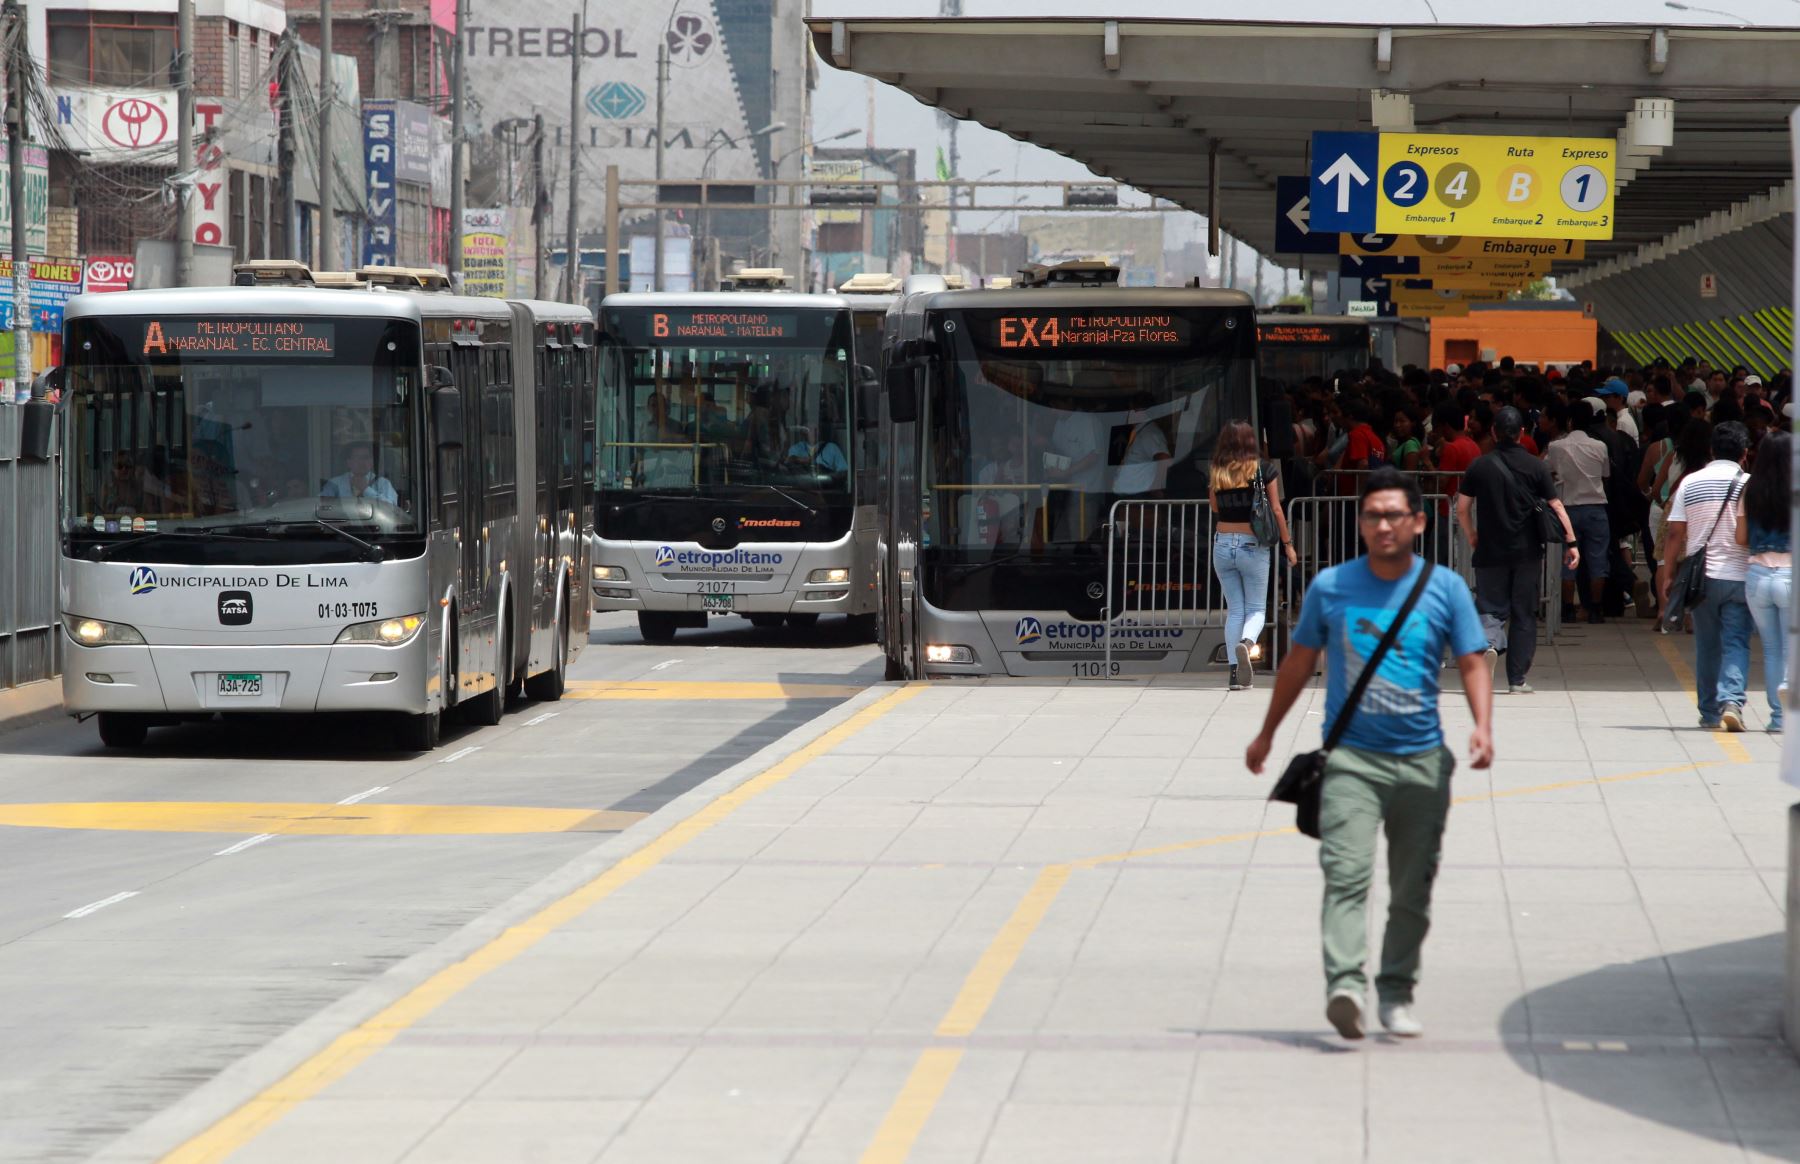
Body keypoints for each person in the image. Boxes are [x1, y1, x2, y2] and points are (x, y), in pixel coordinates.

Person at [1246, 467, 1494, 1041]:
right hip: (1352, 761)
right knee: (1346, 876)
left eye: (1394, 515)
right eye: (1373, 515)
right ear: (1361, 524)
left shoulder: (1446, 588)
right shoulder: (1332, 586)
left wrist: (1483, 726)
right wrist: (1266, 734)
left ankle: (1396, 992)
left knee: (1412, 889)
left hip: (1422, 762)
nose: (1383, 525)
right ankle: (1346, 986)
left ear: (1418, 522)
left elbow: (1473, 660)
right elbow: (1298, 662)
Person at [1456, 407, 1578, 695]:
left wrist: (1472, 534)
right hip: (1527, 552)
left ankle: (1488, 644)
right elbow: (1556, 506)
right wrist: (1571, 543)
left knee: (1490, 608)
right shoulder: (1536, 466)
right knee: (1523, 613)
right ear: (1522, 433)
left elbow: (1461, 508)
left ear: (1494, 433)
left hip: (1489, 551)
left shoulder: (1479, 466)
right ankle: (1517, 680)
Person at [1658, 421, 1752, 731]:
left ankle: (1710, 712)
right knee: (1736, 642)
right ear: (1745, 453)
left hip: (1701, 578)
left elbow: (1675, 533)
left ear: (1712, 450)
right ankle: (1733, 701)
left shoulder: (1691, 482)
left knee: (1707, 645)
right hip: (1740, 575)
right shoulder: (1750, 484)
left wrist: (1669, 573)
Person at [1209, 420, 1296, 690]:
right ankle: (1247, 644)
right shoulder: (1264, 469)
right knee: (1256, 608)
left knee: (1235, 609)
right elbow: (1277, 510)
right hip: (1252, 545)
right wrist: (1288, 544)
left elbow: (1214, 506)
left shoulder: (1217, 470)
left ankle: (1235, 676)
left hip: (1222, 544)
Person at [1736, 430, 1789, 733]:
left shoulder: (1750, 490)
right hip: (1791, 574)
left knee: (1770, 649)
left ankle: (1777, 717)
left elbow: (1740, 538)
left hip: (1757, 575)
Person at [1545, 399, 1612, 623]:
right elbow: (1605, 475)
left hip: (1568, 509)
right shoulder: (1600, 446)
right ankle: (1595, 609)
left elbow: (1548, 470)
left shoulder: (1556, 447)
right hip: (1596, 508)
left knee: (1568, 560)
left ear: (1570, 421)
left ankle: (1567, 609)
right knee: (1597, 560)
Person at [321, 442, 400, 504]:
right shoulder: (335, 484)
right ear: (349, 462)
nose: (362, 462)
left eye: (366, 457)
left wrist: (366, 489)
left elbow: (391, 509)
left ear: (371, 461)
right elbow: (322, 506)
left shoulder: (383, 483)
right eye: (357, 458)